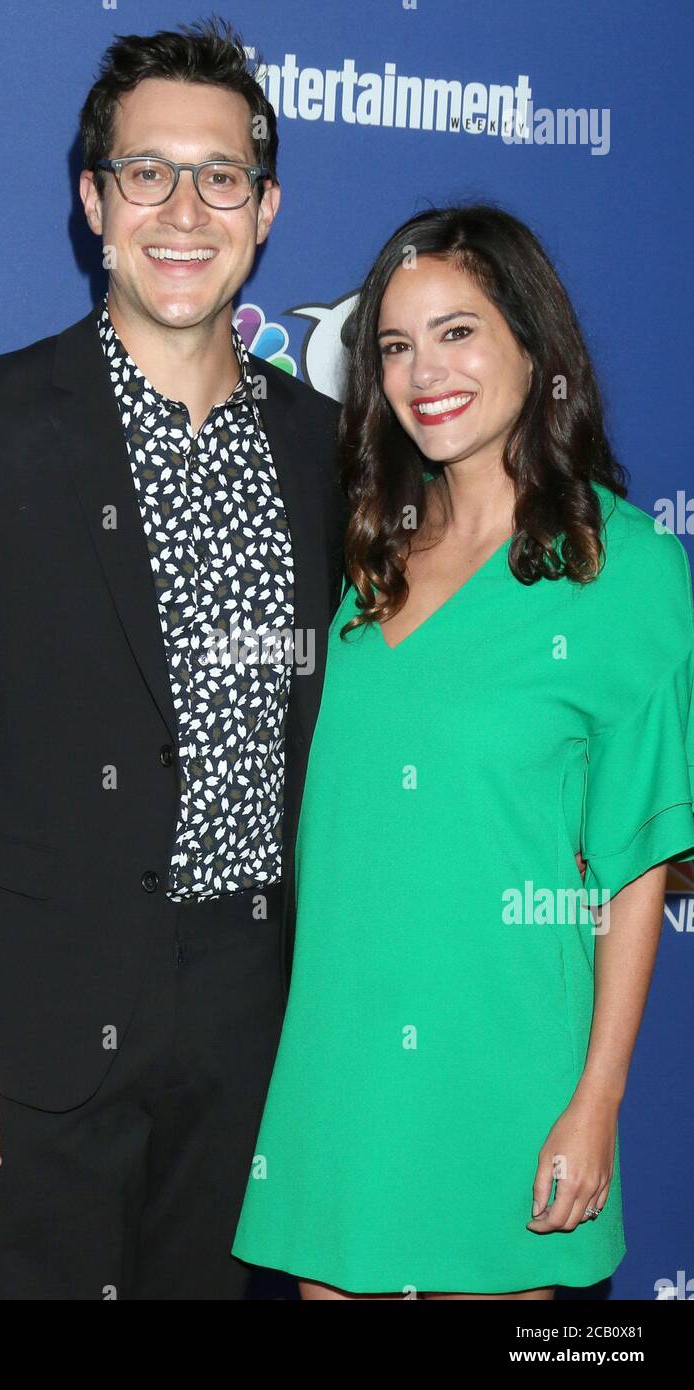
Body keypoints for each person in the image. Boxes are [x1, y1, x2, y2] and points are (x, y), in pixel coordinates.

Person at [0, 18, 344, 1300]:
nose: (183, 208)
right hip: (38, 1022)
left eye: (220, 175)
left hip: (256, 1017)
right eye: (146, 173)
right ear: (93, 201)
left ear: (266, 206)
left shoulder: (330, 451)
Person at [231, 203, 694, 1300]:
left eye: (456, 332)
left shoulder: (622, 569)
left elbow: (634, 866)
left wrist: (594, 1102)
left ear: (532, 348)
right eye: (393, 344)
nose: (420, 371)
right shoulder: (355, 550)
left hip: (509, 1067)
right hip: (339, 1057)